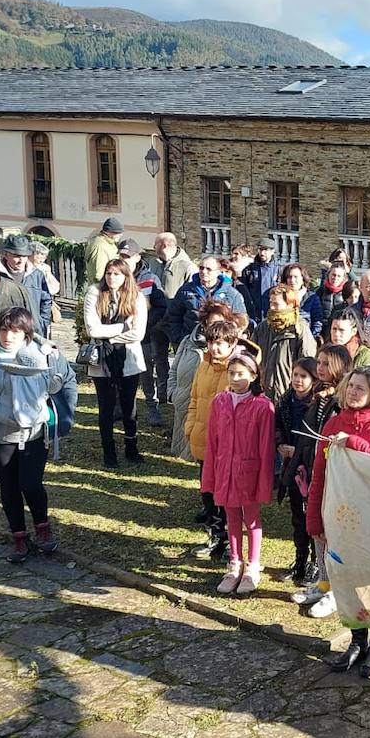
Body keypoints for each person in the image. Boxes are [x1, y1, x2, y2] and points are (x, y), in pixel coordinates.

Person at [305, 367, 370, 674]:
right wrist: (315, 521)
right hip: (341, 519)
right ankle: (356, 640)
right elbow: (320, 474)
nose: (352, 392)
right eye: (350, 386)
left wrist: (352, 442)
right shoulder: (335, 422)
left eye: (360, 388)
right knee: (346, 580)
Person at [0, 307, 67, 563]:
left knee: (31, 484)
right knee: (9, 487)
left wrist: (54, 360)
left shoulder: (40, 353)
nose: (8, 336)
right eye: (4, 330)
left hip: (34, 433)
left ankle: (43, 528)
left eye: (15, 331)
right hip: (2, 433)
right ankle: (19, 537)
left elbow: (57, 382)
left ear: (26, 333)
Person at [202, 347, 276, 595]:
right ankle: (235, 562)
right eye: (231, 373)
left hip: (249, 473)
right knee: (231, 517)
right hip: (225, 471)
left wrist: (264, 482)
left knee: (251, 519)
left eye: (240, 373)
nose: (234, 378)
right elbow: (212, 443)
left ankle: (253, 565)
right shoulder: (220, 402)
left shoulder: (263, 406)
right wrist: (210, 476)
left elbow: (266, 448)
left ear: (253, 376)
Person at [185, 321, 251, 564]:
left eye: (220, 343)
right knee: (207, 490)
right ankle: (214, 534)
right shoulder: (203, 366)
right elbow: (194, 399)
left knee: (226, 494)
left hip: (227, 446)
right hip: (203, 439)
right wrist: (190, 427)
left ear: (232, 343)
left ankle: (228, 540)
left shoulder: (236, 370)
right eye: (212, 342)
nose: (214, 348)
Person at [276, 356, 336, 588]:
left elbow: (312, 435)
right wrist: (280, 443)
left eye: (303, 376)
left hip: (308, 465)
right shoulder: (285, 400)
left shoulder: (316, 403)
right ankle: (299, 560)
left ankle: (314, 563)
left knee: (312, 518)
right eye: (295, 375)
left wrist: (297, 449)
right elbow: (279, 425)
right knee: (297, 518)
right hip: (291, 467)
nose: (298, 381)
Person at [83, 259, 148, 468]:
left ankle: (131, 446)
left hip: (128, 358)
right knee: (106, 406)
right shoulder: (94, 292)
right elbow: (92, 330)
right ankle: (108, 451)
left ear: (125, 276)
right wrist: (122, 328)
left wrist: (110, 338)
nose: (112, 278)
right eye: (109, 273)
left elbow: (138, 333)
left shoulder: (136, 296)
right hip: (101, 359)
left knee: (129, 406)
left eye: (117, 274)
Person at [168, 300, 239, 461]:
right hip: (188, 408)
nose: (215, 326)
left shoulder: (236, 363)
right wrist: (173, 393)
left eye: (220, 322)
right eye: (212, 322)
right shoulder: (188, 342)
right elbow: (174, 369)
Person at [115, 239, 166, 425]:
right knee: (119, 372)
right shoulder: (114, 276)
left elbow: (161, 306)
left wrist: (144, 327)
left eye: (127, 256)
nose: (124, 259)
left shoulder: (150, 278)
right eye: (121, 256)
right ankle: (121, 407)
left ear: (137, 257)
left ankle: (153, 408)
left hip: (143, 336)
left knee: (145, 373)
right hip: (118, 335)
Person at [148, 232, 195, 403]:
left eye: (155, 244)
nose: (153, 248)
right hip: (156, 322)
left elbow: (191, 296)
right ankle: (162, 394)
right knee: (158, 359)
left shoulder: (187, 266)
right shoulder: (153, 264)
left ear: (165, 245)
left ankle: (178, 392)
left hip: (176, 323)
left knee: (180, 359)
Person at [253, 283, 317, 405]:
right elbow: (252, 356)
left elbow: (308, 363)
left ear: (290, 305)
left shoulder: (299, 329)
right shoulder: (263, 327)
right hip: (262, 393)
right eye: (270, 302)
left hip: (287, 394)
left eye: (276, 304)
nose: (271, 307)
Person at [166, 255, 246, 343]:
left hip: (219, 344)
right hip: (191, 342)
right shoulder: (186, 290)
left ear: (218, 272)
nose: (204, 271)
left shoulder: (232, 294)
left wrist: (229, 339)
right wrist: (179, 338)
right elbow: (174, 315)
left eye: (209, 269)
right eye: (201, 268)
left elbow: (240, 320)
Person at [0, 235, 53, 340]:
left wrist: (42, 322)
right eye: (16, 256)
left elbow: (46, 300)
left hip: (31, 330)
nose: (20, 260)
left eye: (24, 256)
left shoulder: (37, 275)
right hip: (7, 332)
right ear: (6, 255)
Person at [280, 263, 324, 340]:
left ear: (302, 279)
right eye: (289, 277)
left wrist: (310, 339)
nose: (292, 280)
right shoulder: (280, 296)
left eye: (295, 277)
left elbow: (317, 323)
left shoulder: (312, 298)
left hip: (305, 339)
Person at [240, 238, 281, 319]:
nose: (262, 253)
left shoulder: (279, 270)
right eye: (260, 249)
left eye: (266, 250)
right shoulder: (249, 270)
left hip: (272, 312)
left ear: (272, 251)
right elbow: (244, 293)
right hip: (254, 312)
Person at [83, 215, 124, 283]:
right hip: (102, 287)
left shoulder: (108, 243)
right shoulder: (100, 246)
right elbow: (98, 274)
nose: (121, 235)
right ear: (109, 232)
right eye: (118, 233)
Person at [315, 263, 350, 340]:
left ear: (343, 278)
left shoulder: (347, 293)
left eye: (339, 276)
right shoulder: (320, 291)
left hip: (339, 333)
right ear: (328, 275)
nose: (335, 278)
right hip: (321, 332)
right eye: (333, 275)